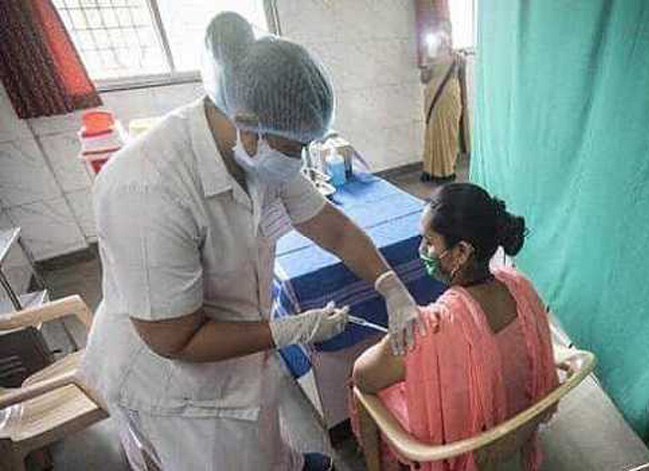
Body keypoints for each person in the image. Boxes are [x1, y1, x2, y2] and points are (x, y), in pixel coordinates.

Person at [80, 12, 422, 471]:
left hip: (234, 348)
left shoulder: (259, 152)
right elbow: (173, 338)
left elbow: (334, 228)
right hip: (174, 388)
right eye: (294, 147)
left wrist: (391, 286)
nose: (299, 158)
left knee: (263, 442)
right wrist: (291, 330)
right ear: (246, 124)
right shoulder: (146, 187)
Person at [351, 183, 558, 471]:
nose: (422, 250)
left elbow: (362, 376)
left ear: (461, 251)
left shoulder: (431, 327)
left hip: (465, 447)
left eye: (429, 243)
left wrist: (392, 338)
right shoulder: (520, 287)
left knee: (367, 390)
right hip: (516, 424)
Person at [420, 21, 466, 183]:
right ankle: (430, 170)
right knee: (432, 133)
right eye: (440, 31)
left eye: (446, 31)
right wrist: (427, 62)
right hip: (433, 97)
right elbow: (423, 79)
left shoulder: (456, 56)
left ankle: (446, 171)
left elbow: (461, 72)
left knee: (447, 132)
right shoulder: (430, 54)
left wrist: (457, 57)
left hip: (449, 98)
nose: (443, 35)